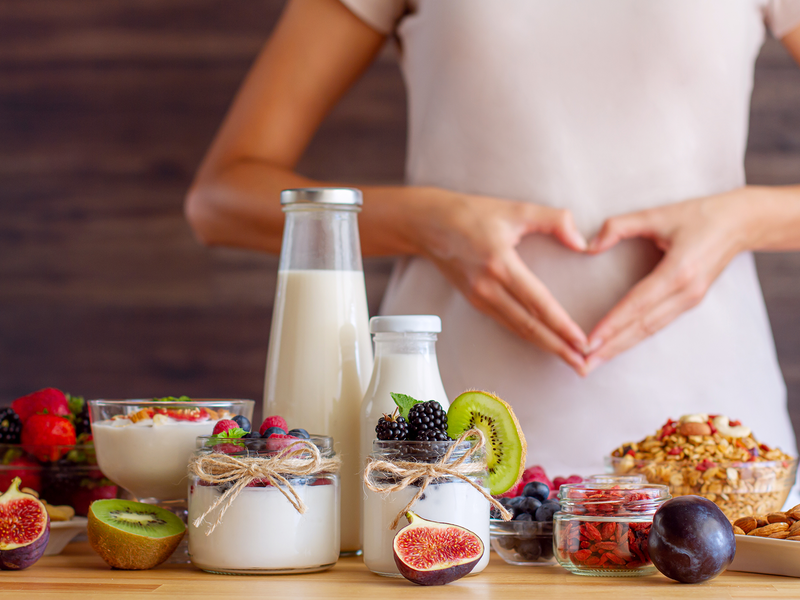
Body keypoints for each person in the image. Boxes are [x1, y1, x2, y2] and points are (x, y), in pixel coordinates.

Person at [185, 0, 800, 476]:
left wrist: (741, 220)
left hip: (725, 463)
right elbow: (222, 198)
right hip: (439, 460)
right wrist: (427, 221)